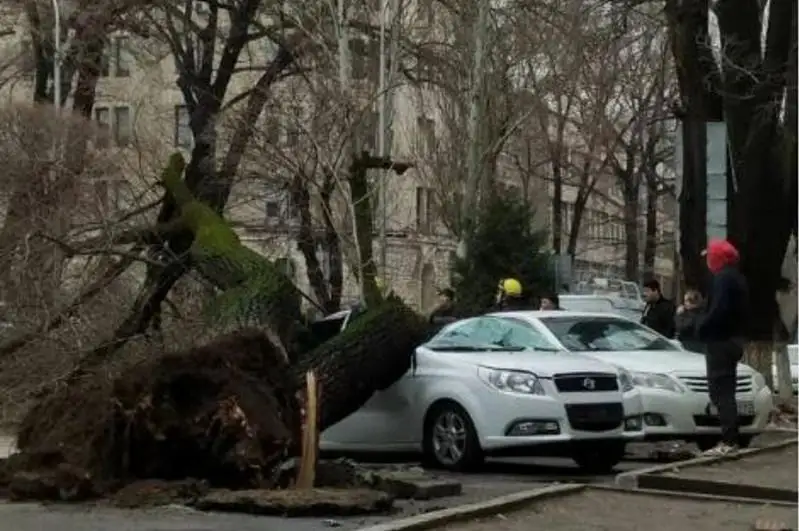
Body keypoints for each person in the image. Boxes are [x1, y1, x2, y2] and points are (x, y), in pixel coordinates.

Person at [698, 239, 749, 456]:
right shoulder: (737, 278)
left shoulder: (722, 279)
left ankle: (729, 441)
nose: (707, 261)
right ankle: (731, 439)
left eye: (709, 256)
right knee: (726, 390)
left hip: (721, 341)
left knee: (720, 392)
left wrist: (700, 326)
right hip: (734, 340)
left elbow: (718, 311)